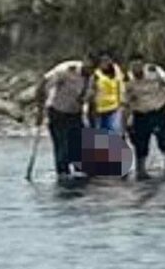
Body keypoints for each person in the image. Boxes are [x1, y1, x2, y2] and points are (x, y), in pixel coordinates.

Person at [35, 53, 98, 181]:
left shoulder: (92, 79)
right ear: (84, 61)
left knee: (79, 148)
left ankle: (80, 178)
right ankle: (63, 178)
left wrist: (93, 125)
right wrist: (40, 111)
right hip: (58, 112)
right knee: (62, 147)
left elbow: (92, 102)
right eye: (88, 67)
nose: (89, 71)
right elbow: (42, 84)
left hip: (75, 114)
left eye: (92, 68)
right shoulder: (67, 69)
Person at [124, 53, 165, 180]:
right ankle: (140, 171)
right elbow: (124, 100)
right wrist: (127, 118)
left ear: (143, 65)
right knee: (140, 144)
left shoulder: (154, 70)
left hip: (158, 109)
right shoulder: (126, 78)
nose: (137, 69)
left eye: (139, 65)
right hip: (140, 112)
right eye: (133, 66)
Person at [90, 52, 125, 133]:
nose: (105, 63)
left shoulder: (117, 71)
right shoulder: (96, 74)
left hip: (114, 108)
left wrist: (122, 103)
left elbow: (121, 87)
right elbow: (91, 90)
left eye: (107, 60)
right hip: (99, 111)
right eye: (102, 61)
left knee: (113, 132)